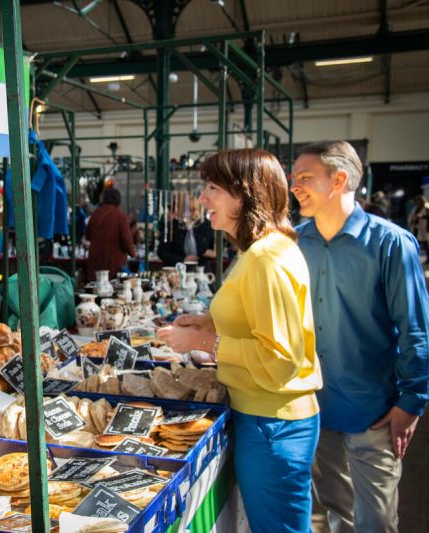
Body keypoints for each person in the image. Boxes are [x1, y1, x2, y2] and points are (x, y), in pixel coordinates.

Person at [158, 149, 323, 533]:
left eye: (212, 188)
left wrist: (202, 342)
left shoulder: (266, 257)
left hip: (273, 423)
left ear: (244, 194)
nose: (203, 198)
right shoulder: (260, 250)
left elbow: (280, 357)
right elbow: (258, 321)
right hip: (268, 418)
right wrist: (209, 321)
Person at [291, 141, 429, 532]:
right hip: (314, 407)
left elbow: (415, 328)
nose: (295, 187)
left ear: (339, 180)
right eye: (293, 178)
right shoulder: (295, 243)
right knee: (331, 512)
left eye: (305, 178)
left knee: (376, 520)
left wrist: (412, 402)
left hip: (374, 411)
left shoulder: (390, 244)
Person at [82, 188, 137, 282]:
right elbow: (126, 240)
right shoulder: (121, 216)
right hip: (113, 264)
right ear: (118, 200)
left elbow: (88, 236)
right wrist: (133, 253)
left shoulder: (96, 214)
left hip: (95, 262)